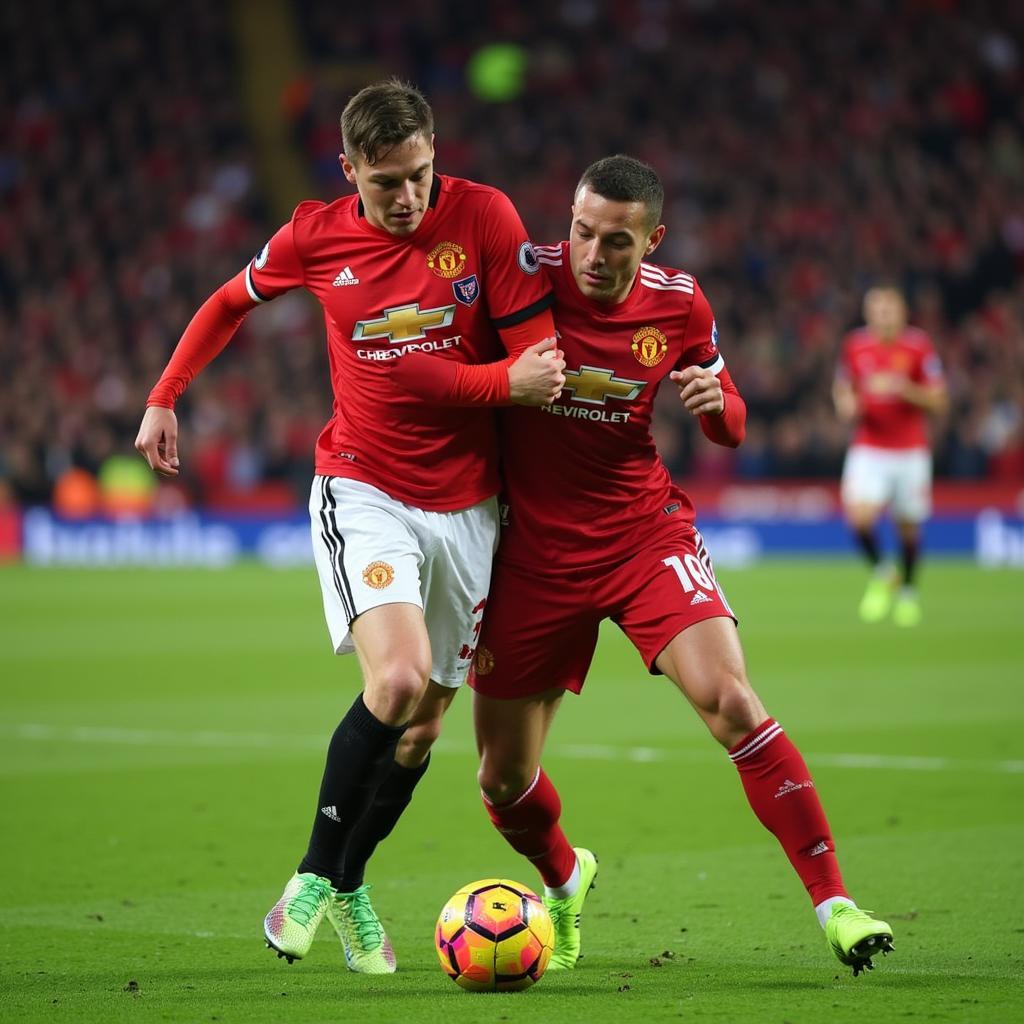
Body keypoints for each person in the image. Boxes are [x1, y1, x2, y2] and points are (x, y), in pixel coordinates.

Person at [394, 155, 895, 976]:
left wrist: (718, 409)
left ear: (651, 240)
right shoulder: (523, 281)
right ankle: (565, 876)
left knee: (732, 700)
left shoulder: (680, 301)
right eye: (583, 232)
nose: (593, 252)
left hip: (641, 534)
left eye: (616, 241)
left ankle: (836, 906)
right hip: (529, 558)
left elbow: (729, 418)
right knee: (502, 780)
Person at [134, 79, 565, 974]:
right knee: (399, 677)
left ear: (435, 159)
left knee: (424, 725)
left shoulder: (485, 219)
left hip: (473, 507)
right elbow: (230, 304)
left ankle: (348, 883)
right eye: (385, 183)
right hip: (365, 487)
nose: (406, 197)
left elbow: (537, 361)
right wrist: (165, 394)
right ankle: (309, 878)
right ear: (349, 172)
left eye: (419, 176)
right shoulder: (313, 237)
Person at [833, 285, 947, 626]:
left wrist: (904, 388)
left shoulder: (918, 346)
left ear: (902, 311)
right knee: (859, 518)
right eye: (876, 309)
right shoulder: (855, 345)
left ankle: (909, 591)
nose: (882, 314)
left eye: (888, 308)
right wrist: (846, 404)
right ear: (868, 313)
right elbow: (843, 386)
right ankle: (885, 573)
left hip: (910, 450)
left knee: (908, 528)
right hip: (869, 446)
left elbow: (940, 400)